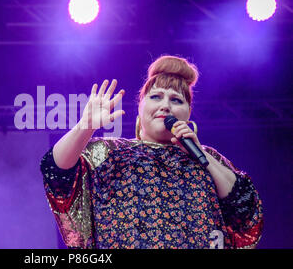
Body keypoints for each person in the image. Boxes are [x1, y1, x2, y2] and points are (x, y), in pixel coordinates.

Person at [40, 55, 263, 249]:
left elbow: (245, 209)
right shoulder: (110, 152)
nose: (165, 105)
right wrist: (85, 126)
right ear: (140, 106)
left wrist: (201, 156)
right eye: (156, 97)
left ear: (188, 112)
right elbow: (55, 170)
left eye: (176, 100)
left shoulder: (207, 158)